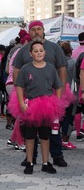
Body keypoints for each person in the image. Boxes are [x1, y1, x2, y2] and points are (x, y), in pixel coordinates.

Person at [13, 20, 68, 168]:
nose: (36, 32)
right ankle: (31, 158)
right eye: (33, 29)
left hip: (50, 97)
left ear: (43, 30)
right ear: (29, 32)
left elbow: (62, 69)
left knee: (52, 129)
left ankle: (56, 156)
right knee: (29, 129)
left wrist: (60, 94)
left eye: (39, 29)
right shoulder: (24, 50)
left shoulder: (54, 48)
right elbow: (17, 71)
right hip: (30, 98)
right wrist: (20, 96)